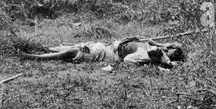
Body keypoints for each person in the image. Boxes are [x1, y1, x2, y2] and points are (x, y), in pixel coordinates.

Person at [23, 36, 185, 68]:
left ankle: (37, 57)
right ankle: (43, 50)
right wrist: (165, 44)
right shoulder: (151, 46)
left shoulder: (146, 54)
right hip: (106, 46)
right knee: (72, 46)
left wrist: (153, 60)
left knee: (73, 52)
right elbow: (149, 40)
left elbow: (128, 61)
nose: (162, 49)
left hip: (107, 54)